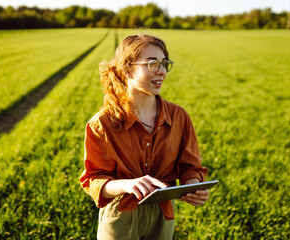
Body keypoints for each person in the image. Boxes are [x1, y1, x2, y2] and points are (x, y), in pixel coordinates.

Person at [80, 34, 209, 240]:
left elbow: (190, 167)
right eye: (152, 64)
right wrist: (127, 184)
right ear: (127, 69)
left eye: (165, 63)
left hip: (163, 216)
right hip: (120, 216)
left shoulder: (179, 117)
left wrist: (192, 186)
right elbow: (93, 180)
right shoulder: (102, 123)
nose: (162, 71)